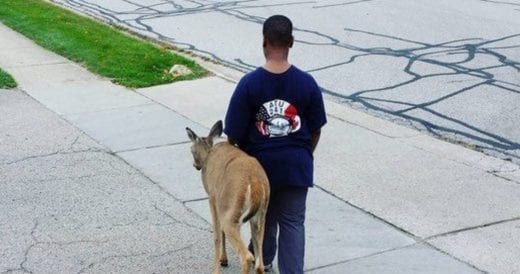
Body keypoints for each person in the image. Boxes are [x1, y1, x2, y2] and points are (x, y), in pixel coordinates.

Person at [224, 15, 327, 273]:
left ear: (264, 42)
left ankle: (263, 259)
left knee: (264, 218)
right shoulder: (307, 83)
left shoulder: (249, 84)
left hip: (260, 168)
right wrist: (304, 153)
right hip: (296, 167)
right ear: (291, 42)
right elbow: (315, 129)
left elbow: (233, 135)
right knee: (293, 222)